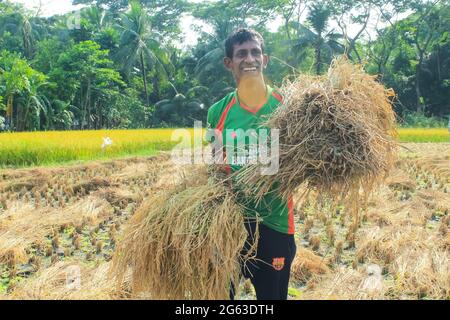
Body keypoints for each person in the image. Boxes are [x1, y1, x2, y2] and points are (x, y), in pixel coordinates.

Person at [206, 28, 296, 300]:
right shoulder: (217, 112)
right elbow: (213, 166)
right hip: (229, 226)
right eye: (241, 54)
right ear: (229, 63)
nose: (249, 59)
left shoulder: (288, 106)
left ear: (265, 59)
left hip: (275, 224)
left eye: (255, 52)